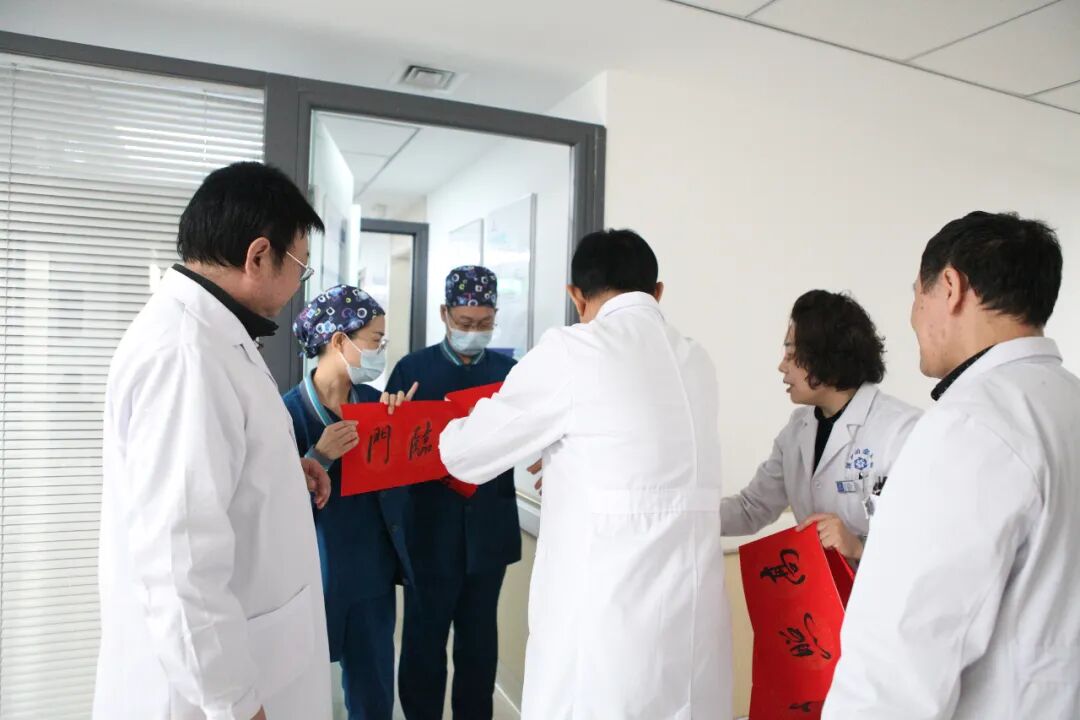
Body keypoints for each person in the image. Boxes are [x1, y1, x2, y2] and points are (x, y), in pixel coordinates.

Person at [439, 230, 733, 720]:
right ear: (657, 292)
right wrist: (562, 452)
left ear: (576, 296)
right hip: (692, 629)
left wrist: (452, 426)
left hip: (606, 633)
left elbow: (465, 455)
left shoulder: (573, 350)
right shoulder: (696, 360)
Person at [95, 162, 333, 720]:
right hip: (214, 693)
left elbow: (215, 469)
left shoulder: (215, 333)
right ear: (258, 256)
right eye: (301, 265)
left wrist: (280, 471)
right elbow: (179, 559)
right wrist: (235, 702)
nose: (300, 284)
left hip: (257, 656)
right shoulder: (185, 354)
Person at [824, 212, 1080, 719]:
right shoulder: (1066, 402)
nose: (913, 316)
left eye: (916, 295)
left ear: (949, 286)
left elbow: (898, 662)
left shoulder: (969, 425)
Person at [387, 266, 521, 720]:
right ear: (445, 313)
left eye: (484, 323)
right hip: (428, 531)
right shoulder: (413, 370)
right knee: (423, 644)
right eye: (465, 323)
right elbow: (391, 450)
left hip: (488, 531)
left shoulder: (511, 375)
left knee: (479, 645)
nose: (473, 331)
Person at [282, 286, 416, 720]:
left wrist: (401, 429)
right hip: (312, 577)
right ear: (340, 341)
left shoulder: (376, 407)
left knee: (373, 698)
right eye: (376, 339)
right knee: (296, 695)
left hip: (371, 577)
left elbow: (402, 487)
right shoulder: (285, 414)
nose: (381, 350)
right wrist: (317, 457)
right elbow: (268, 508)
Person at [721, 290, 920, 562]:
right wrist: (683, 513)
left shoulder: (901, 430)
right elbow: (751, 508)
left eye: (791, 354)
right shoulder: (797, 430)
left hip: (882, 585)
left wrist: (859, 547)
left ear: (828, 357)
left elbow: (923, 536)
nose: (782, 366)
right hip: (820, 586)